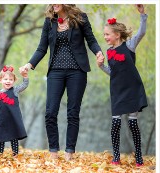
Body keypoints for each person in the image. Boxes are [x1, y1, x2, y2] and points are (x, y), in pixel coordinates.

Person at [19, 4, 103, 160]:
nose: (54, 3)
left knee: (73, 112)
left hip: (77, 71)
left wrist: (98, 52)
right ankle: (53, 152)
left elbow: (91, 40)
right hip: (55, 72)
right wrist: (29, 65)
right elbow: (41, 48)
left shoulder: (80, 18)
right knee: (50, 112)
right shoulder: (49, 21)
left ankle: (69, 152)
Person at [97, 4, 148, 167]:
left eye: (107, 34)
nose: (105, 37)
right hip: (117, 91)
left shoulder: (129, 46)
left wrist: (142, 15)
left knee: (133, 124)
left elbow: (141, 32)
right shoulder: (109, 52)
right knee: (115, 124)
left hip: (132, 90)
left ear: (117, 35)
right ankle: (116, 157)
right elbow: (113, 72)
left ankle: (139, 157)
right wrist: (101, 66)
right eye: (104, 34)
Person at [0, 65, 29, 156]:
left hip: (13, 119)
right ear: (0, 80)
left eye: (10, 79)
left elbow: (24, 85)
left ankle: (15, 155)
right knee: (1, 138)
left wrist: (25, 77)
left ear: (14, 81)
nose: (8, 81)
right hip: (2, 120)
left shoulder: (15, 90)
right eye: (5, 79)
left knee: (14, 137)